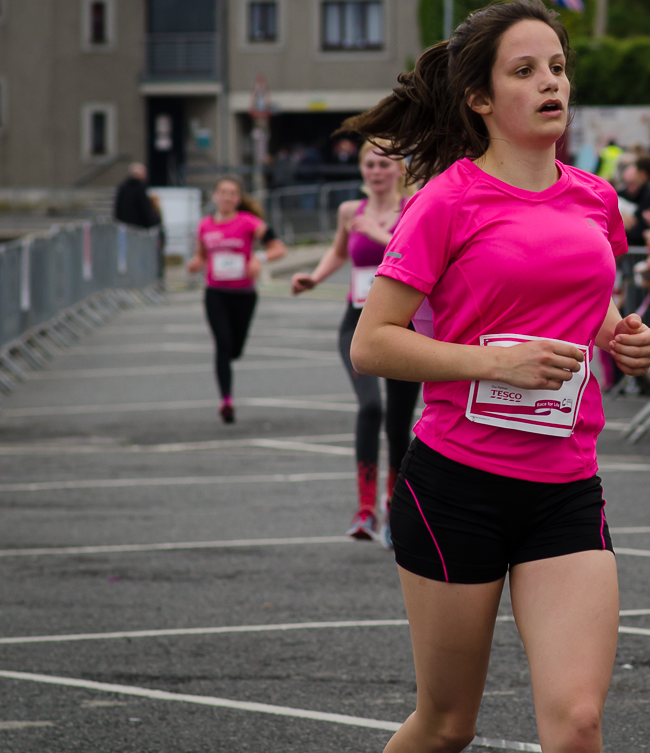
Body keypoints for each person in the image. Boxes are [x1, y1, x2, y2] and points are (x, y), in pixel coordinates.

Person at [343, 0, 650, 753]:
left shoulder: (596, 198)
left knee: (578, 722)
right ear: (480, 98)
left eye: (557, 67)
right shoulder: (445, 202)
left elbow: (587, 306)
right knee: (447, 725)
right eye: (525, 70)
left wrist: (622, 337)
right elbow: (373, 343)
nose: (551, 83)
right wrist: (495, 363)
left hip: (565, 485)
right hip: (458, 486)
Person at [291, 141, 422, 547]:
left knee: (399, 423)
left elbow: (416, 256)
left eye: (384, 164)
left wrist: (379, 233)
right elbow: (338, 253)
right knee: (370, 406)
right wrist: (313, 277)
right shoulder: (350, 212)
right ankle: (365, 508)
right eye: (369, 164)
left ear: (399, 169)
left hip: (404, 326)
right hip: (357, 322)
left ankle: (392, 502)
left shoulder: (415, 207)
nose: (375, 171)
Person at [186, 177, 285, 423]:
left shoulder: (249, 222)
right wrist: (196, 263)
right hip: (215, 293)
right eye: (222, 192)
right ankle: (226, 400)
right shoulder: (204, 226)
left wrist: (259, 257)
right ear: (215, 196)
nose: (227, 197)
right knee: (222, 344)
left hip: (244, 295)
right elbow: (200, 255)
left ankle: (228, 367)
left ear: (238, 199)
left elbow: (278, 248)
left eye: (232, 193)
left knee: (235, 349)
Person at [114, 162, 164, 278]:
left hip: (125, 228)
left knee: (128, 254)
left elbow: (117, 209)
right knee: (140, 254)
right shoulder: (141, 189)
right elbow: (145, 210)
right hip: (139, 229)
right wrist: (150, 225)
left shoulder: (122, 187)